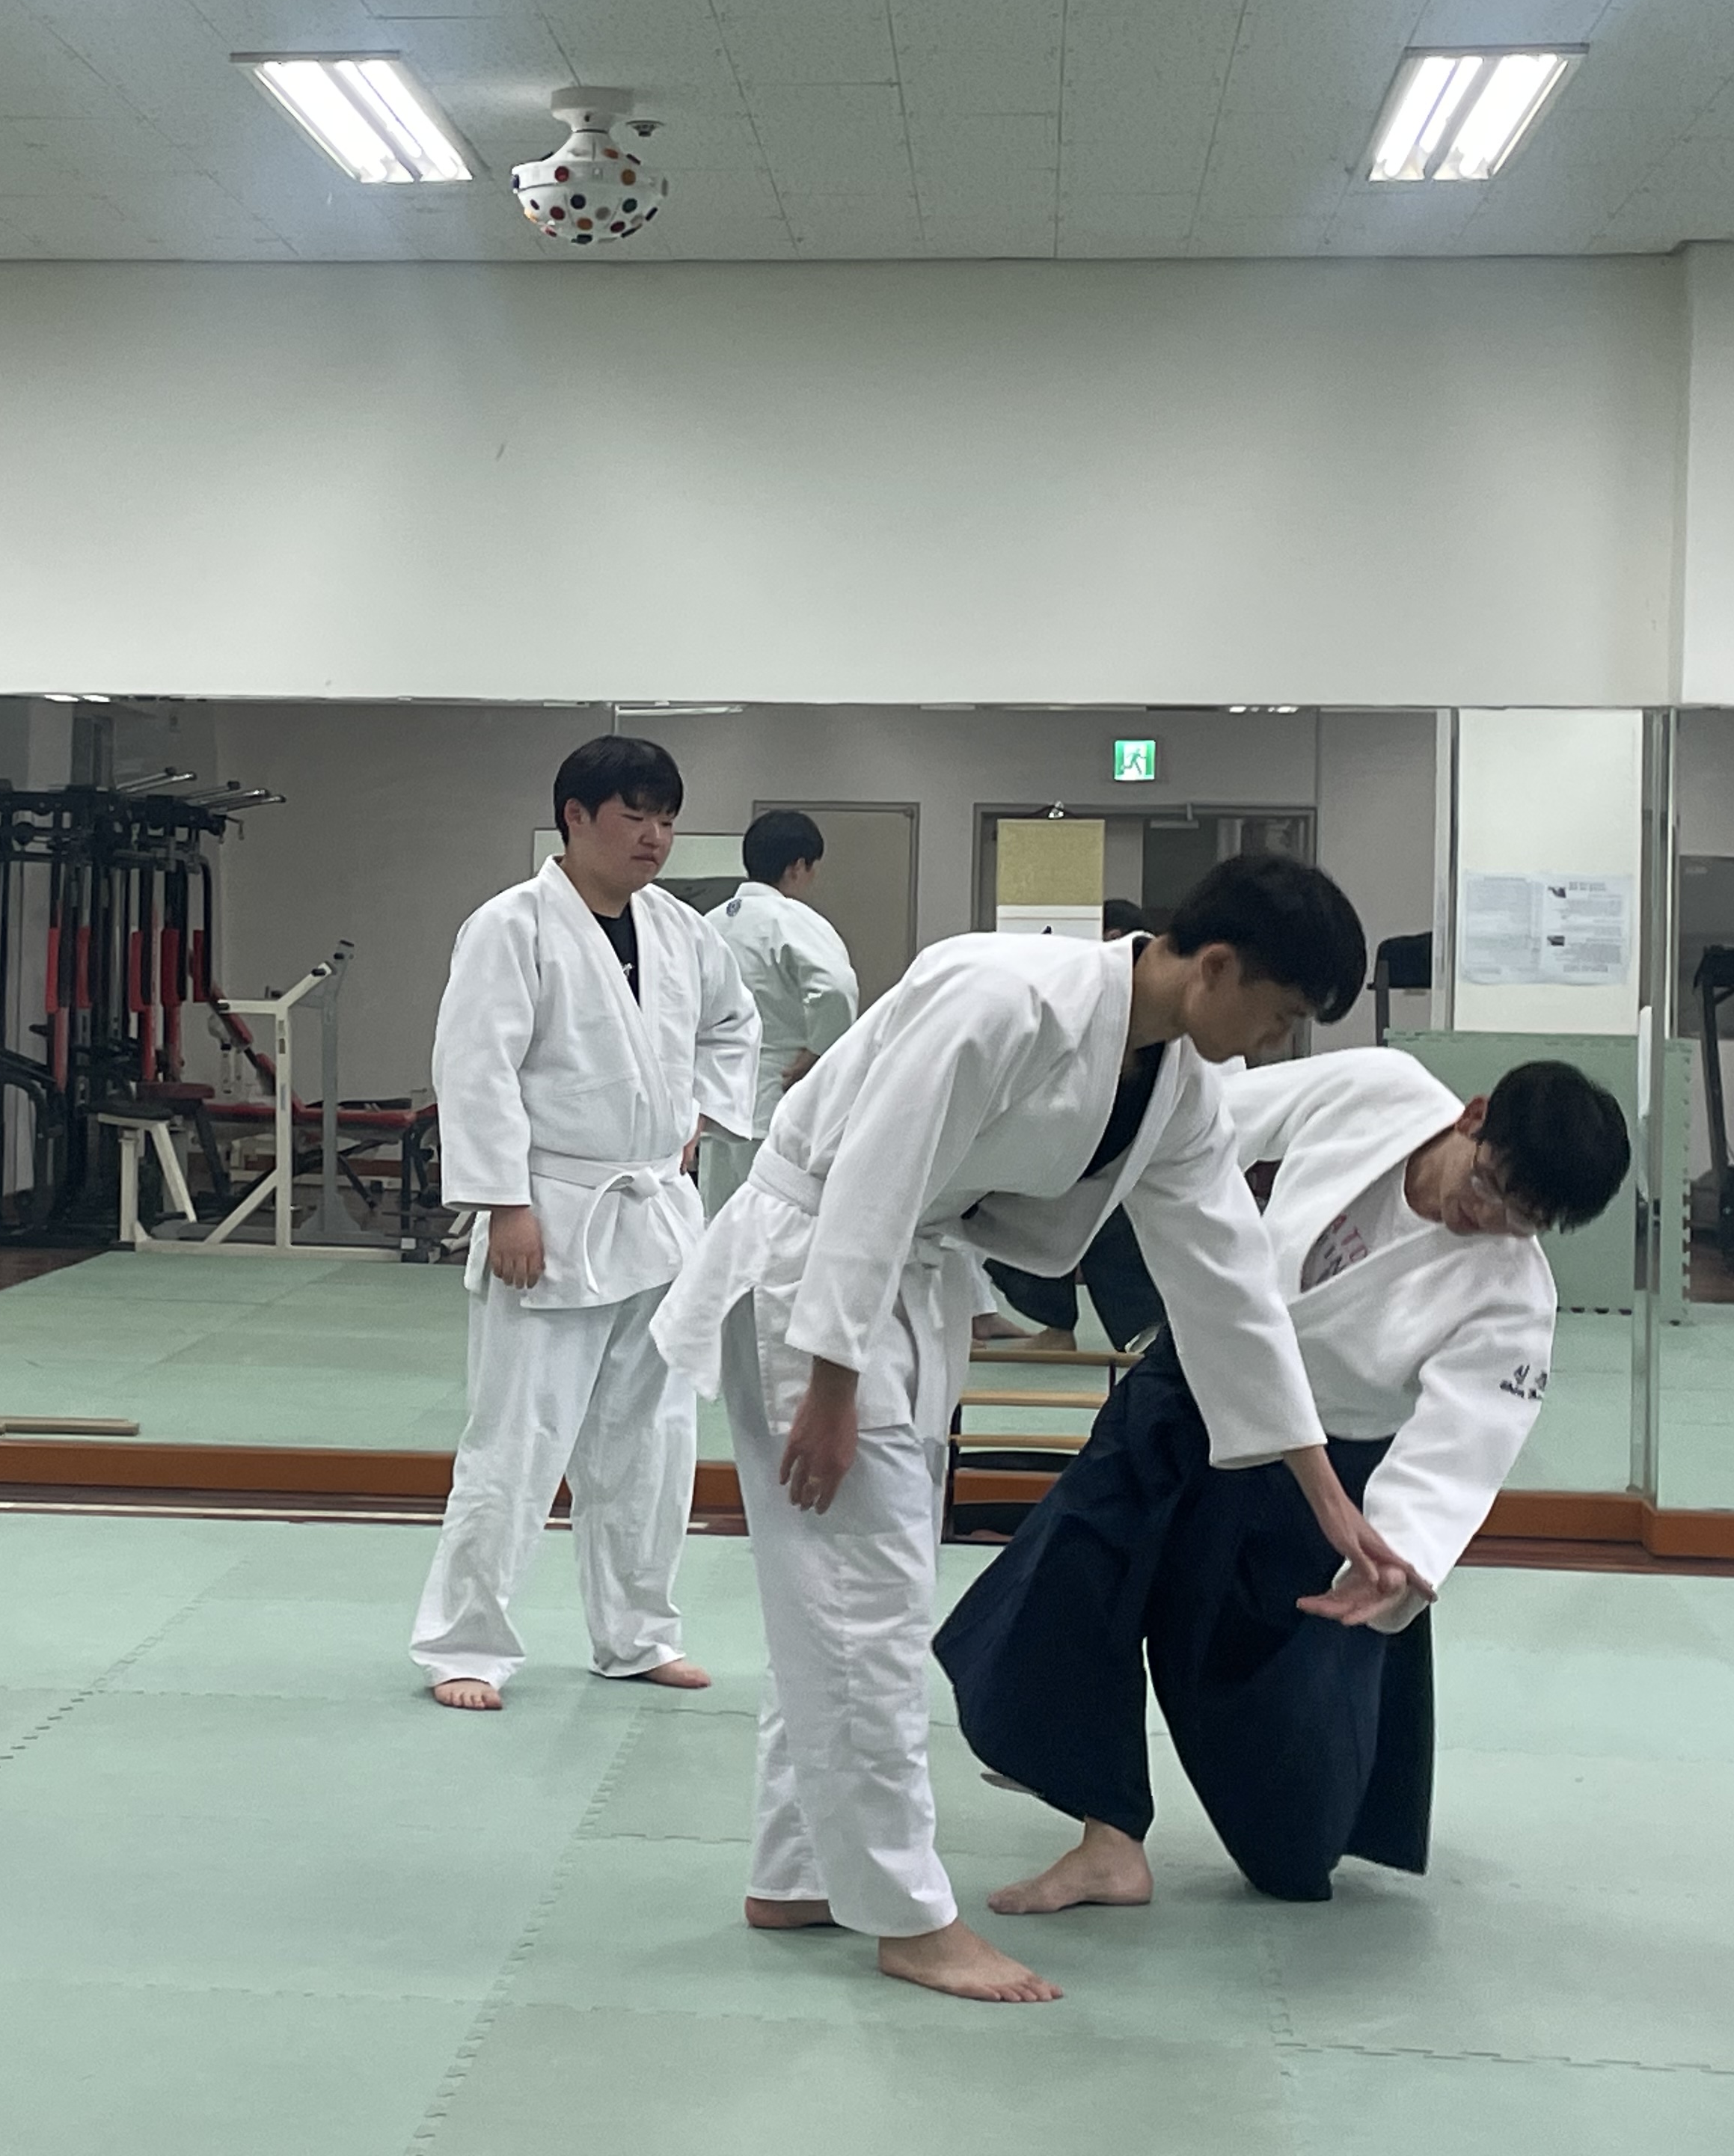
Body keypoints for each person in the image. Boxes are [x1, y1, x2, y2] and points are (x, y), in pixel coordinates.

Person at [653, 854, 1409, 2003]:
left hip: (897, 1291)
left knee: (848, 1599)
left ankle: (799, 1873)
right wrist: (833, 1382)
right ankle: (908, 1919)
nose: (1274, 1042)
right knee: (865, 1607)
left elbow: (1229, 1286)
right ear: (1217, 967)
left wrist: (1325, 1493)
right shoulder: (1004, 999)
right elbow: (877, 1170)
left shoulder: (1173, 1084)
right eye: (1280, 1013)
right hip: (817, 1282)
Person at [938, 1049, 1630, 1911]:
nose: (1485, 1217)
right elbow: (1211, 1120)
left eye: (1522, 1219)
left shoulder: (1513, 1298)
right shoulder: (1382, 1090)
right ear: (1474, 1116)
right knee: (1083, 1560)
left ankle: (1290, 1824)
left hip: (1322, 1475)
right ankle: (1107, 1838)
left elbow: (1463, 1442)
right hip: (1201, 1376)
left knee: (1285, 1811)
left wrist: (1400, 1554)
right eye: (1489, 1185)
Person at [411, 736, 759, 1713]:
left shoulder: (682, 931)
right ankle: (465, 1644)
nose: (654, 837)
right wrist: (505, 1204)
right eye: (634, 816)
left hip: (656, 1214)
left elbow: (733, 1027)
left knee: (654, 1444)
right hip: (552, 1210)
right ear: (575, 817)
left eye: (666, 819)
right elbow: (475, 1068)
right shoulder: (511, 926)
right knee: (517, 1443)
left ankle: (638, 1635)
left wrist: (700, 1111)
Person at [981, 898, 1161, 1350]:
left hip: (1145, 1154)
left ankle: (1143, 1332)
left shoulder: (1156, 1012)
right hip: (1070, 1146)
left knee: (1099, 1218)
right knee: (1016, 1209)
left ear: (1116, 938)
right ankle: (1055, 1326)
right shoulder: (1069, 995)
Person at [696, 810, 859, 1215]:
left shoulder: (708, 923)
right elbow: (836, 987)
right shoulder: (792, 920)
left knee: (719, 1221)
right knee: (775, 1222)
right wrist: (821, 1051)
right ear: (798, 866)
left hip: (716, 1100)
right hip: (777, 1096)